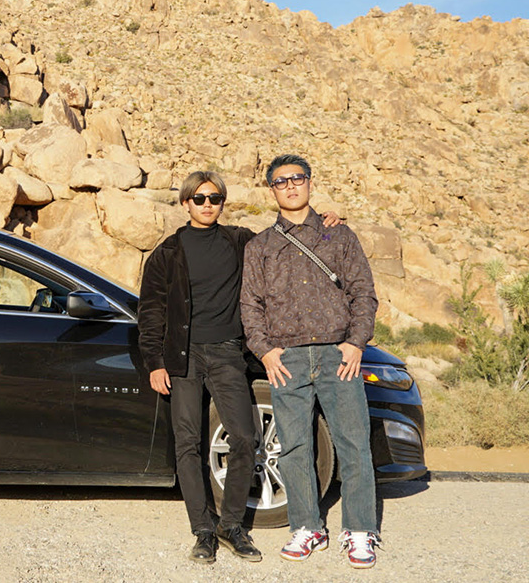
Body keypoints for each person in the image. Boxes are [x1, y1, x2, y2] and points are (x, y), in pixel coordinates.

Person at [240, 154, 381, 569]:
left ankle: (359, 531)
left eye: (296, 179)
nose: (290, 186)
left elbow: (363, 292)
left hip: (340, 355)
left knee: (354, 444)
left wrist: (356, 342)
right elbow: (251, 304)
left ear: (309, 183)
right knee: (295, 447)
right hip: (288, 360)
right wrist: (264, 350)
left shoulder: (340, 236)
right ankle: (307, 526)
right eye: (281, 181)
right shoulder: (259, 246)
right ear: (271, 190)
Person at [138, 171, 263, 564]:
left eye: (215, 198)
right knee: (188, 443)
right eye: (199, 198)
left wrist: (324, 221)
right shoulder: (168, 253)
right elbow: (151, 312)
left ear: (223, 202)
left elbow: (284, 245)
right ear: (185, 203)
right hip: (183, 357)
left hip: (228, 354)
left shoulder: (240, 241)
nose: (208, 205)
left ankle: (232, 525)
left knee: (244, 437)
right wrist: (155, 363)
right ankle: (203, 531)